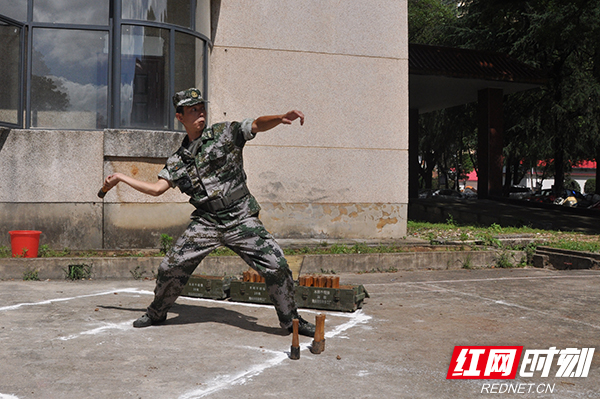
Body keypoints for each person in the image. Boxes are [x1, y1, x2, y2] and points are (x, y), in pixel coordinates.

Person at [103, 88, 315, 337]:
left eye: (201, 107)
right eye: (192, 110)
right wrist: (120, 177)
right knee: (170, 267)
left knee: (277, 265)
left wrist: (279, 118)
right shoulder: (178, 160)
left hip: (240, 217)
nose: (200, 113)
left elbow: (256, 124)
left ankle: (291, 320)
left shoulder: (224, 133)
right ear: (180, 117)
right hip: (207, 221)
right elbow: (156, 189)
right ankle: (156, 312)